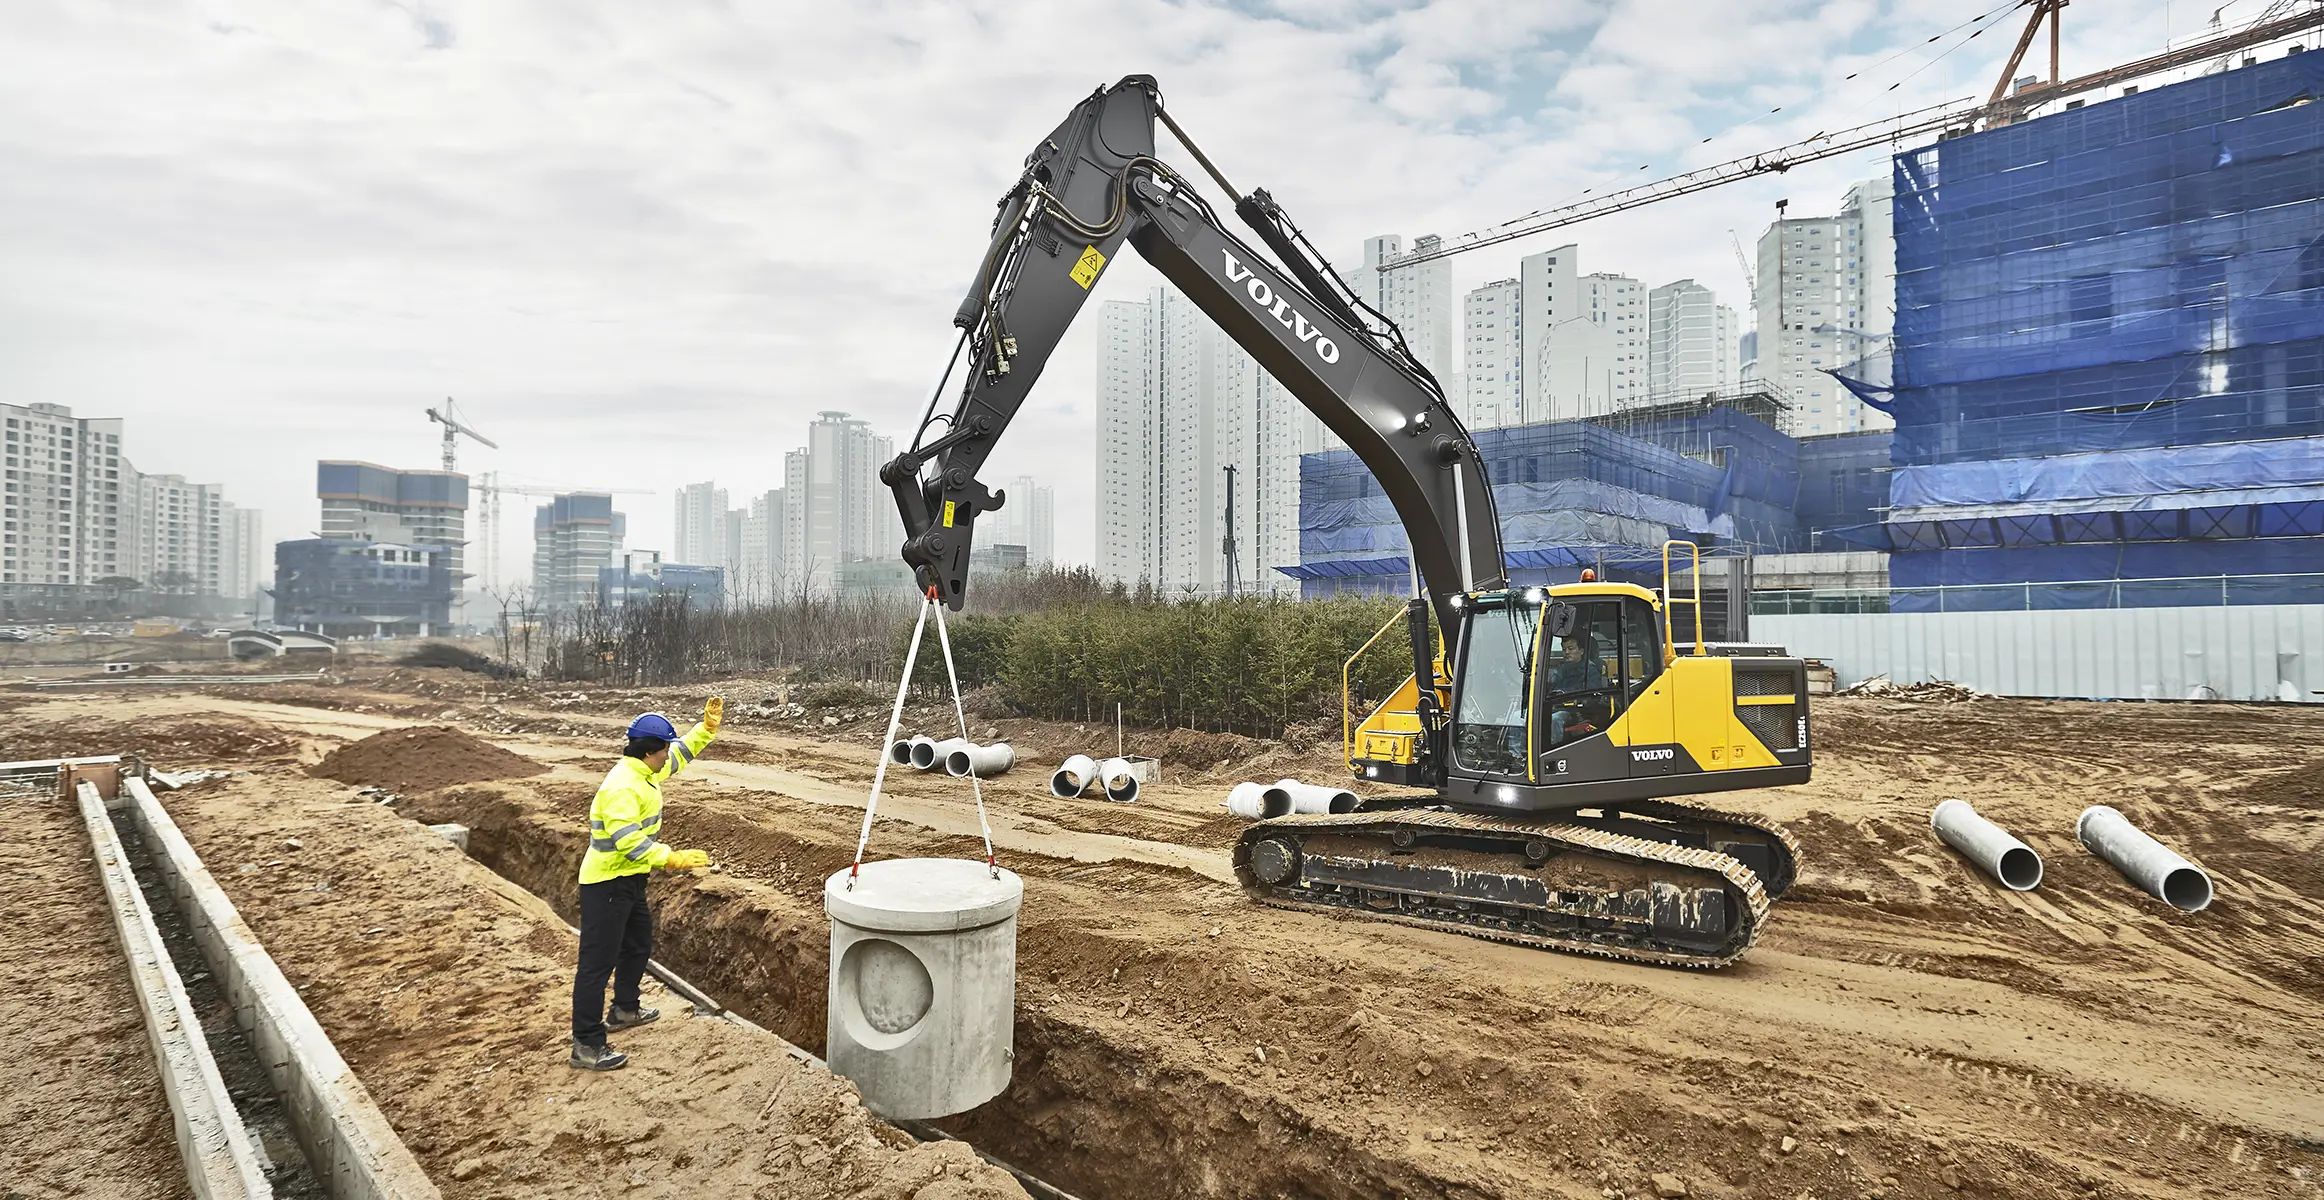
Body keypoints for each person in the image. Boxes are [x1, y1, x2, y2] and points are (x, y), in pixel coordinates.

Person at [570, 698, 722, 1071]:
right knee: (596, 965)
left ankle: (625, 1008)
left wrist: (706, 730)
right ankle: (587, 1044)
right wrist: (675, 858)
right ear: (652, 752)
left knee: (637, 944)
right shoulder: (623, 787)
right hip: (606, 883)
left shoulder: (644, 771)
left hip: (629, 881)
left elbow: (681, 753)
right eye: (665, 749)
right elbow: (630, 844)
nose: (669, 755)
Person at [1544, 634, 1606, 746]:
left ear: (1581, 651)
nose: (1566, 652)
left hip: (1575, 711)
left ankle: (1552, 750)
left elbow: (1592, 693)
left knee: (1554, 720)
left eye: (1571, 649)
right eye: (1564, 649)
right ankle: (1518, 756)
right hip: (1555, 706)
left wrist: (1564, 693)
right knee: (1518, 717)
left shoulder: (1590, 669)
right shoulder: (1560, 669)